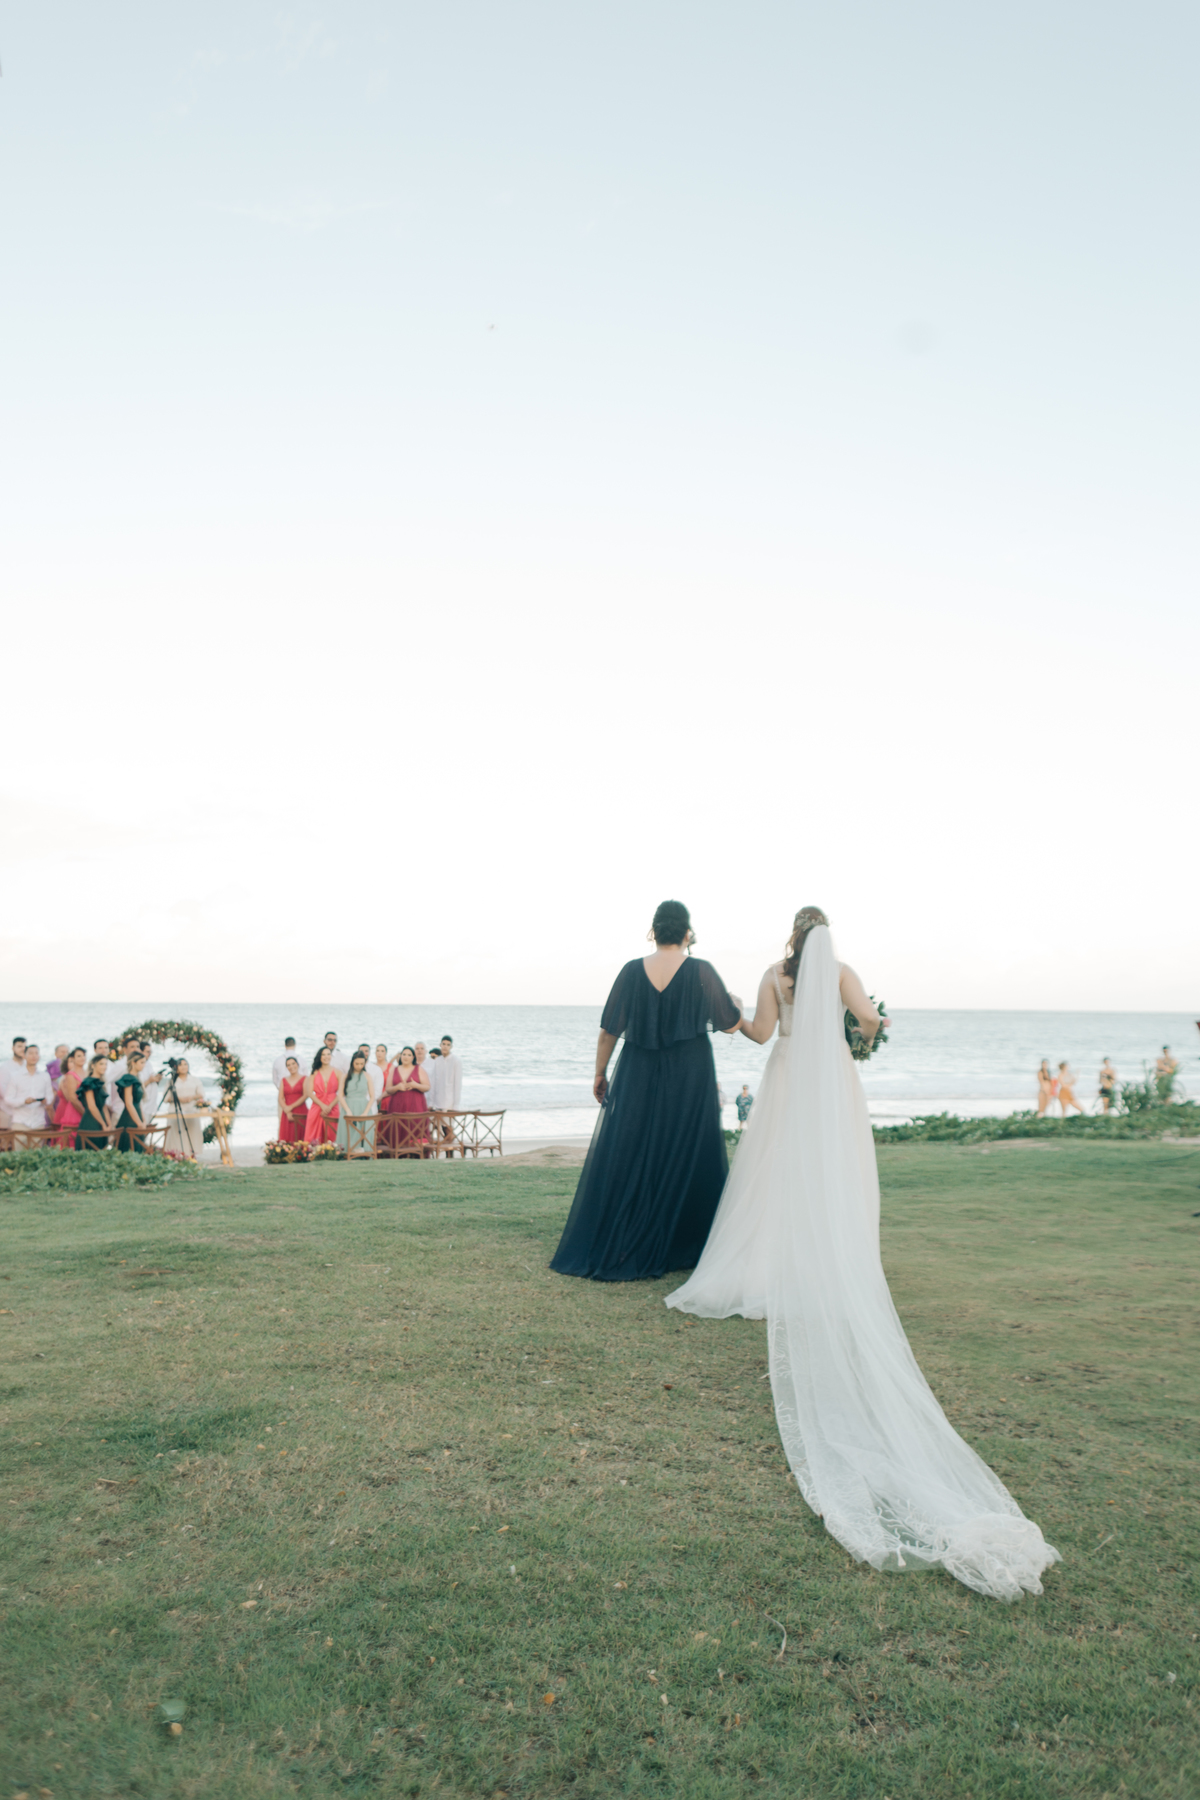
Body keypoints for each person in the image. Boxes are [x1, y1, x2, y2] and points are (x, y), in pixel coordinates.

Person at [666, 906, 1059, 1602]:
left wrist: (724, 1017)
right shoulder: (843, 974)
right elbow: (868, 1024)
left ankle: (758, 1265)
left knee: (774, 1178)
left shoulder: (772, 976)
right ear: (828, 939)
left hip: (788, 1076)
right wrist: (863, 1028)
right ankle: (829, 1255)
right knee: (832, 1174)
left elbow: (757, 1033)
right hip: (832, 1079)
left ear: (792, 936)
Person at [551, 900, 741, 1282]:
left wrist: (599, 1073)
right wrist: (735, 1002)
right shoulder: (701, 970)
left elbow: (609, 1031)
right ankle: (683, 1239)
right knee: (685, 1147)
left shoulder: (631, 971)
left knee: (633, 1146)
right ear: (687, 933)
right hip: (690, 1071)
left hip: (638, 1068)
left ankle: (626, 1233)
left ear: (654, 931)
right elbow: (731, 1024)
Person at [381, 1046, 429, 1157]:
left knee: (416, 1128)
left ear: (413, 1057)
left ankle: (416, 1153)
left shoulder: (419, 1069)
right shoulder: (395, 1070)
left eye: (409, 1055)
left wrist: (415, 1085)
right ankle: (399, 1153)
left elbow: (427, 1087)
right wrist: (397, 1087)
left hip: (416, 1105)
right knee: (398, 1129)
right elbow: (388, 1089)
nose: (406, 1057)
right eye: (404, 1054)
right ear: (400, 1056)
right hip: (397, 1105)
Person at [6, 1044, 57, 1138]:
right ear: (24, 1056)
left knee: (37, 1151)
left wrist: (46, 1101)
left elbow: (50, 1096)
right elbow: (8, 1099)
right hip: (20, 1122)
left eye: (36, 1053)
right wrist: (24, 1101)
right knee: (20, 1152)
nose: (34, 1056)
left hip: (39, 1122)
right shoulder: (16, 1076)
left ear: (39, 1056)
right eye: (30, 1053)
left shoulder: (45, 1076)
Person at [162, 1058, 209, 1158]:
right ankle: (175, 1154)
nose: (183, 1067)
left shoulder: (195, 1080)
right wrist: (178, 1099)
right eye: (181, 1065)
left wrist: (191, 1097)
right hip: (175, 1111)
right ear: (176, 1068)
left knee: (192, 1133)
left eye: (185, 1064)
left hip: (191, 1110)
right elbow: (166, 1098)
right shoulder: (172, 1081)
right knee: (175, 1134)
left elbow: (201, 1094)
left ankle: (191, 1154)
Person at [338, 1050, 376, 1153]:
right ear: (352, 1063)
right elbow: (340, 1096)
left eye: (361, 1064)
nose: (359, 1066)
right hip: (348, 1106)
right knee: (348, 1133)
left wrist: (365, 1113)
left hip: (363, 1107)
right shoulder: (345, 1076)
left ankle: (364, 1154)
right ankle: (345, 1154)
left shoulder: (367, 1076)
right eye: (357, 1063)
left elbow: (372, 1096)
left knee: (363, 1132)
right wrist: (347, 1110)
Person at [304, 1046, 343, 1143]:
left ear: (331, 1056)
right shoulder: (314, 1073)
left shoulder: (338, 1072)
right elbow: (309, 1092)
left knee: (332, 1133)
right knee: (313, 1136)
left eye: (328, 1054)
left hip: (333, 1106)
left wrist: (329, 1107)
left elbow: (341, 1093)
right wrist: (322, 1105)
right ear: (320, 1057)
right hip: (317, 1106)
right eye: (323, 1054)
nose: (326, 1057)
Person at [114, 1050, 150, 1152]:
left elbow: (139, 1103)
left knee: (139, 1148)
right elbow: (129, 1103)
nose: (144, 1065)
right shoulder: (128, 1078)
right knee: (129, 1147)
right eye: (141, 1062)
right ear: (133, 1063)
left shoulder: (137, 1078)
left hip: (137, 1114)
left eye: (144, 1062)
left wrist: (143, 1120)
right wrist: (139, 1122)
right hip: (129, 1118)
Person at [76, 1054, 114, 1150]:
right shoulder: (88, 1082)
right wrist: (103, 1124)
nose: (104, 1067)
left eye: (106, 1064)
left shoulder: (100, 1082)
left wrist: (109, 1124)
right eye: (101, 1064)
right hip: (91, 1122)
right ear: (93, 1065)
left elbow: (103, 1106)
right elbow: (92, 1106)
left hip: (101, 1122)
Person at [53, 1046, 88, 1147]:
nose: (82, 1058)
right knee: (72, 1142)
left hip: (87, 1108)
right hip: (75, 1112)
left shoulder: (88, 1073)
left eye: (84, 1056)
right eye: (79, 1056)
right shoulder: (71, 1075)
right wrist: (85, 1113)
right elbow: (72, 1098)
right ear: (73, 1058)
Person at [277, 1056, 309, 1142]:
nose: (291, 1066)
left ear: (297, 1065)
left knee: (300, 1136)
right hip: (287, 1112)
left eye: (293, 1064)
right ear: (286, 1067)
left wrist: (291, 1107)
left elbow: (306, 1095)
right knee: (286, 1137)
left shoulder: (305, 1079)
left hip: (300, 1111)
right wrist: (287, 1110)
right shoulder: (283, 1080)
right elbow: (280, 1098)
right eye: (288, 1065)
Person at [0, 1036, 28, 1130]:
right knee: (6, 1142)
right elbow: (3, 1091)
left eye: (24, 1047)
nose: (22, 1049)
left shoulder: (27, 1066)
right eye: (19, 1046)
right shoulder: (5, 1067)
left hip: (25, 1111)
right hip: (7, 1111)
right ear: (13, 1048)